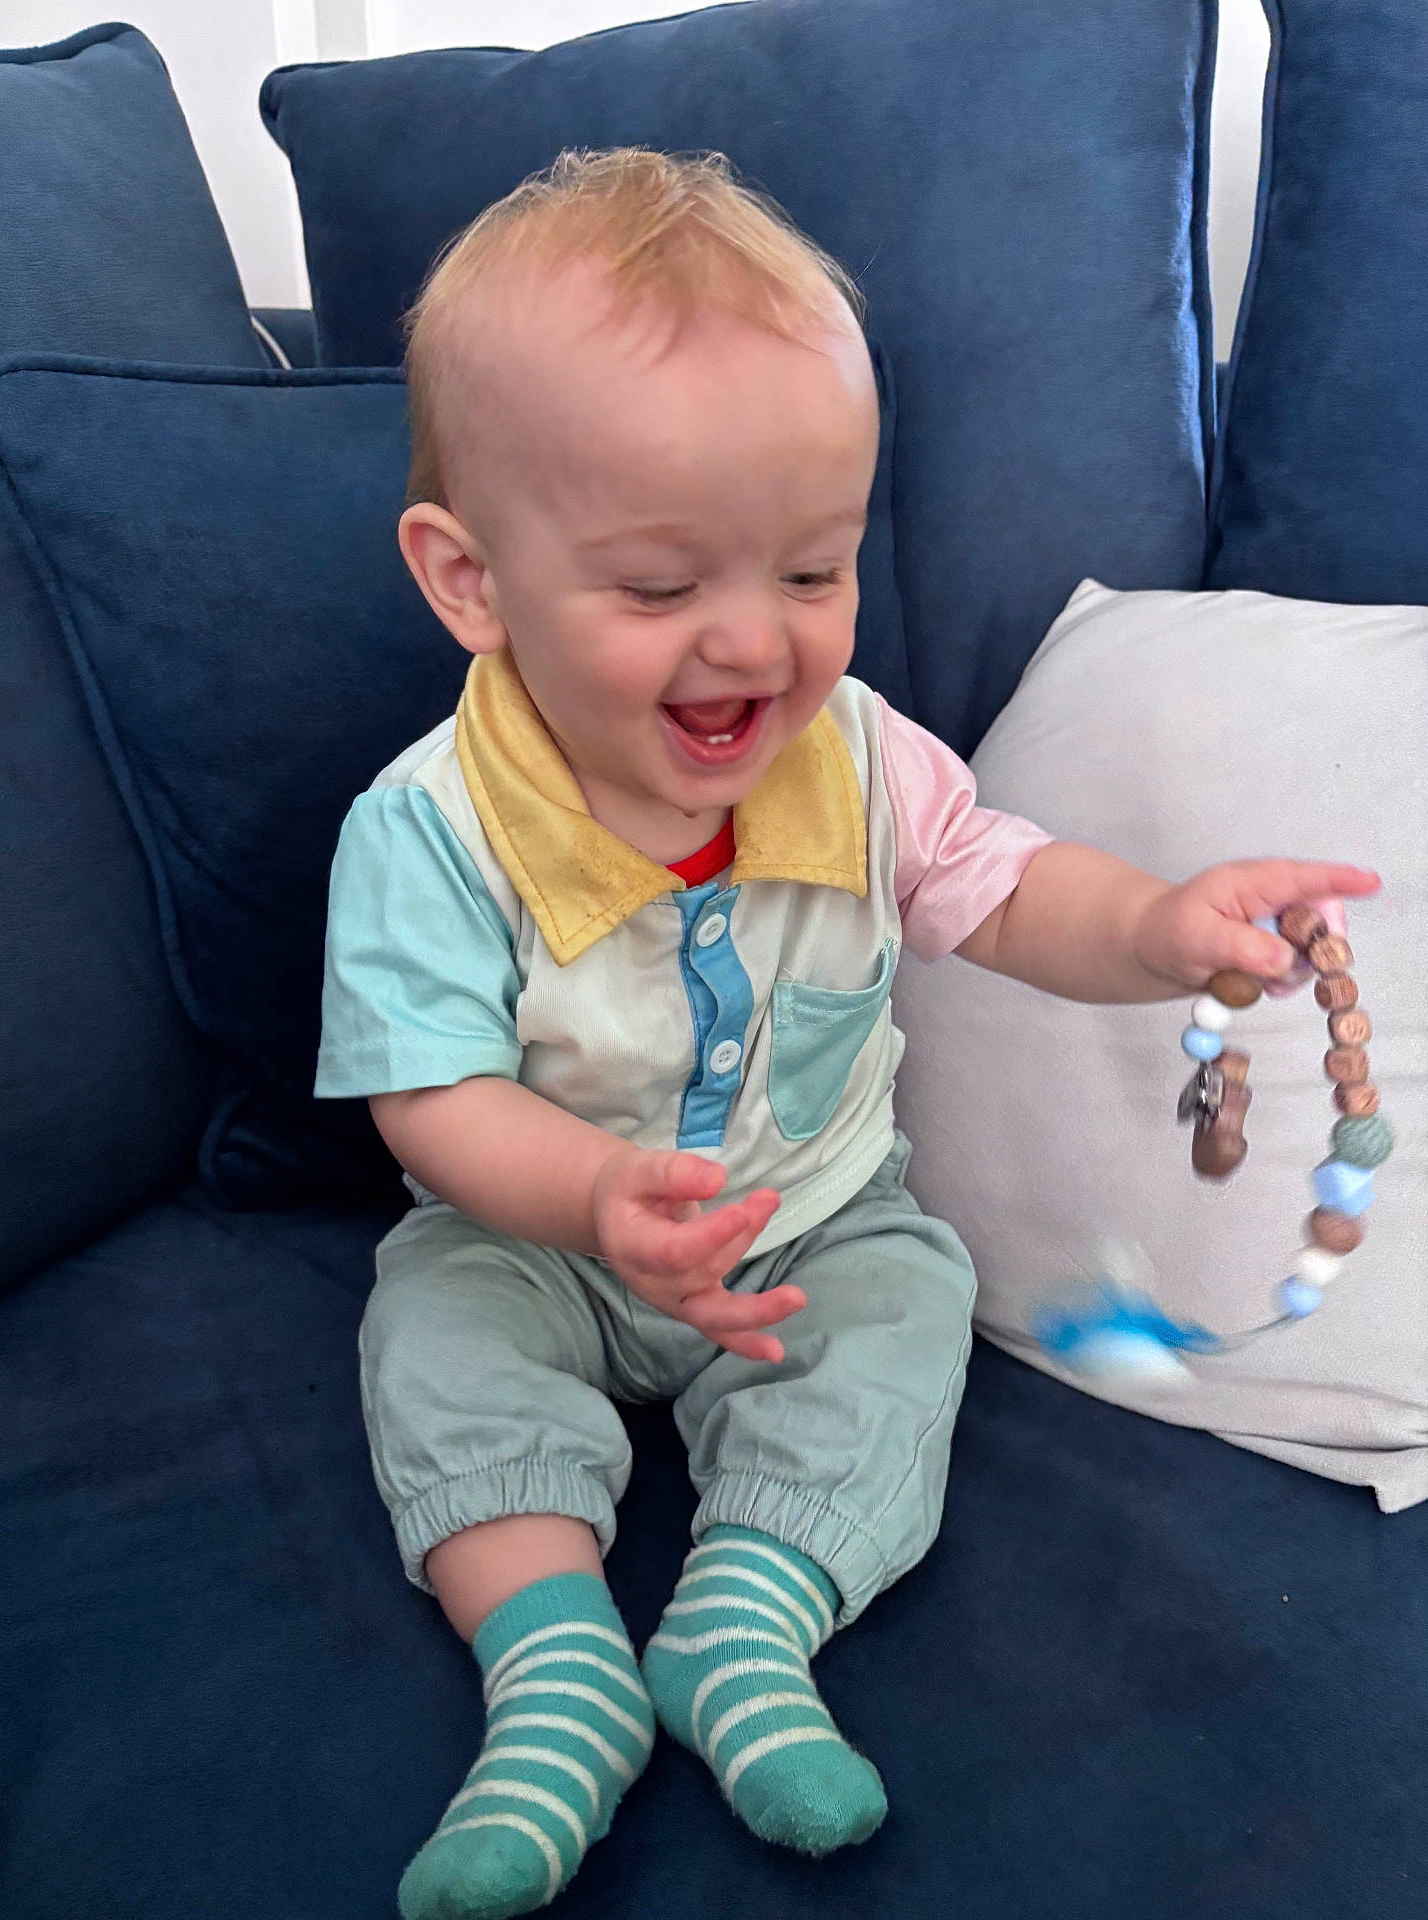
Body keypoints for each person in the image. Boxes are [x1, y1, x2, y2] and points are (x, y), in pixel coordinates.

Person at [315, 148, 1380, 1920]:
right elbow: (428, 1099)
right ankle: (553, 1662)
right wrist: (589, 1201)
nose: (755, 640)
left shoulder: (862, 760)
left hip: (812, 1222)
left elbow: (1014, 893)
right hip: (534, 1238)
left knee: (910, 1304)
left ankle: (747, 1619)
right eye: (661, 590)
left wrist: (1165, 926)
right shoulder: (428, 831)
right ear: (471, 580)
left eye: (814, 570)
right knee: (432, 1336)